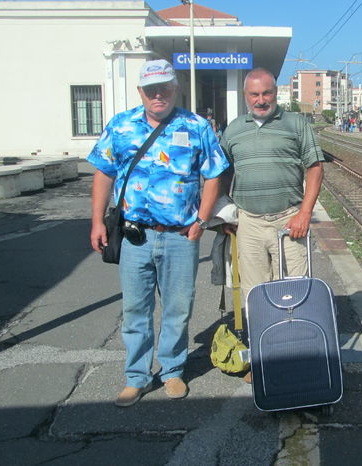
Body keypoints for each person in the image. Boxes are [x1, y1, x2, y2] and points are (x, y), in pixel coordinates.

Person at [88, 59, 229, 407]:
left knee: (178, 308)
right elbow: (104, 174)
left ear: (175, 87)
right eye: (151, 89)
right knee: (136, 308)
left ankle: (172, 370)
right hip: (136, 236)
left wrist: (201, 219)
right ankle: (136, 376)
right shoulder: (120, 126)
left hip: (182, 236)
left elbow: (214, 174)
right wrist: (95, 222)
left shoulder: (196, 126)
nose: (158, 94)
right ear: (141, 92)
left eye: (165, 87)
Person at [219, 68, 326, 385]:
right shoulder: (234, 129)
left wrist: (305, 212)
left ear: (276, 92)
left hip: (288, 220)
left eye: (266, 93)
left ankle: (296, 355)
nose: (261, 100)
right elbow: (222, 170)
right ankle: (263, 357)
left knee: (294, 291)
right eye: (254, 94)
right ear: (245, 96)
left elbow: (315, 168)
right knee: (255, 295)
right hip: (249, 222)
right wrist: (227, 211)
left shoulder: (296, 124)